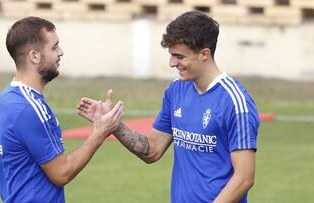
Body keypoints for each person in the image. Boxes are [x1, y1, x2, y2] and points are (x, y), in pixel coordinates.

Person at [77, 11, 260, 203]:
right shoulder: (176, 90)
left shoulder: (236, 102)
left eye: (179, 56)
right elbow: (152, 150)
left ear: (204, 54)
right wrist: (113, 124)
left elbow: (244, 178)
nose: (172, 63)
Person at [0, 16, 124, 203]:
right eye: (54, 47)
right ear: (34, 56)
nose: (61, 52)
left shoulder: (7, 98)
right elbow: (62, 173)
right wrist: (101, 131)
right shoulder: (28, 109)